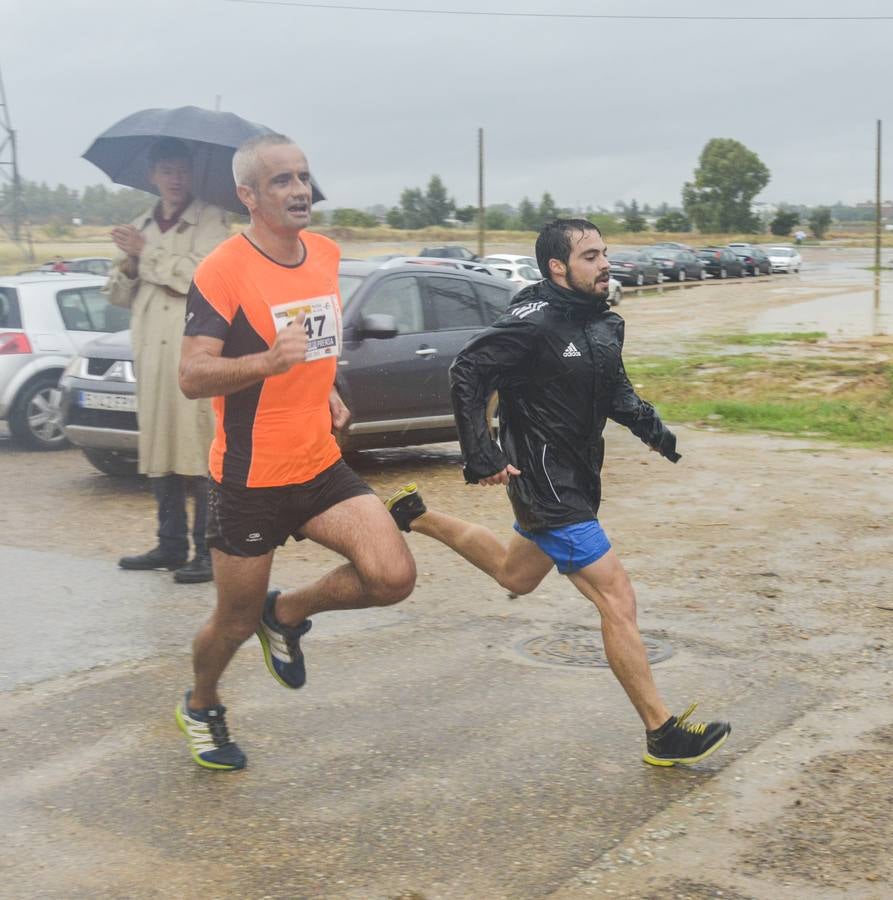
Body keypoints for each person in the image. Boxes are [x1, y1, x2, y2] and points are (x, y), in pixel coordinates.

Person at [384, 218, 730, 767]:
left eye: (604, 253)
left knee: (513, 574)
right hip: (547, 483)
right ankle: (661, 731)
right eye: (590, 256)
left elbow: (615, 389)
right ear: (557, 267)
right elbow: (468, 370)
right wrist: (481, 452)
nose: (605, 263)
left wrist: (653, 430)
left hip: (576, 477)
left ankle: (414, 514)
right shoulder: (534, 323)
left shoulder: (600, 323)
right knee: (617, 597)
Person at [174, 134, 416, 770]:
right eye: (281, 180)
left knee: (393, 576)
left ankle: (287, 614)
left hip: (318, 464)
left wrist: (329, 383)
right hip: (249, 480)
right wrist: (263, 362)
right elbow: (192, 375)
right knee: (231, 621)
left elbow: (315, 342)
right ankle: (202, 705)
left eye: (303, 177)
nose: (300, 191)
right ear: (248, 195)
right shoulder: (222, 269)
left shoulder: (327, 255)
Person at [106, 138, 230, 584]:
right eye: (166, 170)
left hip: (192, 352)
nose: (175, 179)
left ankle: (208, 551)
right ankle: (171, 543)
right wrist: (129, 265)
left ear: (192, 174)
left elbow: (203, 276)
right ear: (151, 175)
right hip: (151, 356)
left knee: (196, 447)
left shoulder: (213, 220)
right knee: (158, 447)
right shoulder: (142, 223)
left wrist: (146, 253)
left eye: (182, 170)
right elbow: (118, 294)